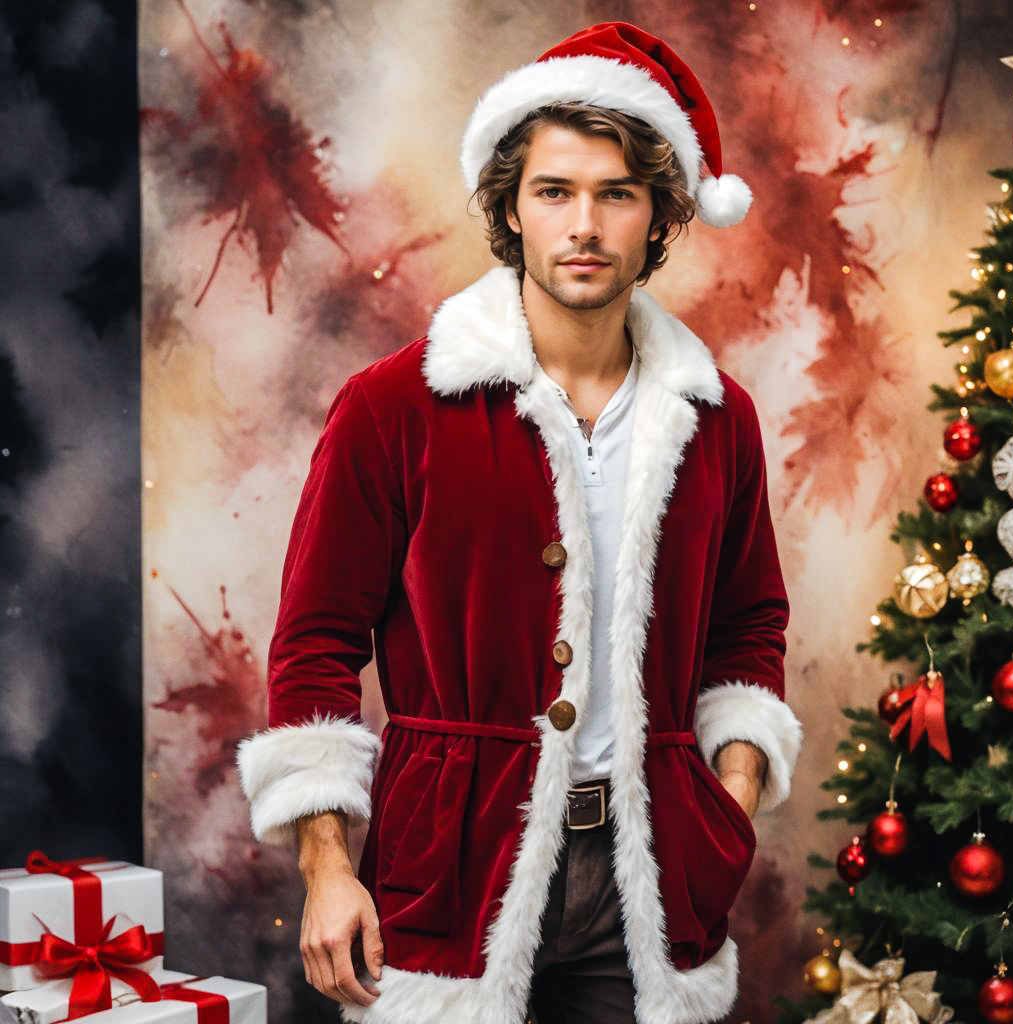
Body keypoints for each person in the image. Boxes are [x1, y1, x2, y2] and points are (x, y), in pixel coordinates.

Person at [236, 20, 804, 1024]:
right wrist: (327, 866)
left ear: (658, 214)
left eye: (615, 194)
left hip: (649, 880)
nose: (583, 225)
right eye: (554, 192)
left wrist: (732, 801)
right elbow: (317, 645)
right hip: (448, 875)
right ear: (509, 207)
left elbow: (748, 628)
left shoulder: (716, 419)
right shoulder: (393, 406)